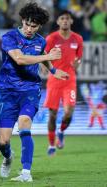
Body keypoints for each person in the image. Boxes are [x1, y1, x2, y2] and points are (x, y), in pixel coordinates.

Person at [0, 2, 69, 182]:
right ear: (22, 20)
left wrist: (52, 70)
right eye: (27, 24)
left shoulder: (40, 41)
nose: (29, 29)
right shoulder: (9, 37)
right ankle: (7, 157)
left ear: (39, 26)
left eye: (34, 26)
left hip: (30, 89)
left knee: (24, 122)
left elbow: (43, 55)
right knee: (3, 142)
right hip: (8, 91)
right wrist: (48, 57)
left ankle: (26, 173)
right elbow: (20, 59)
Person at [44, 10, 83, 156]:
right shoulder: (51, 38)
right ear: (58, 22)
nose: (65, 21)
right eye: (62, 18)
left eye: (67, 18)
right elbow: (45, 56)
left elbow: (78, 58)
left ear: (71, 21)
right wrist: (49, 68)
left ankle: (61, 131)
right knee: (52, 114)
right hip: (54, 81)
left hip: (70, 80)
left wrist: (77, 63)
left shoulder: (78, 39)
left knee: (68, 112)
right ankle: (51, 144)